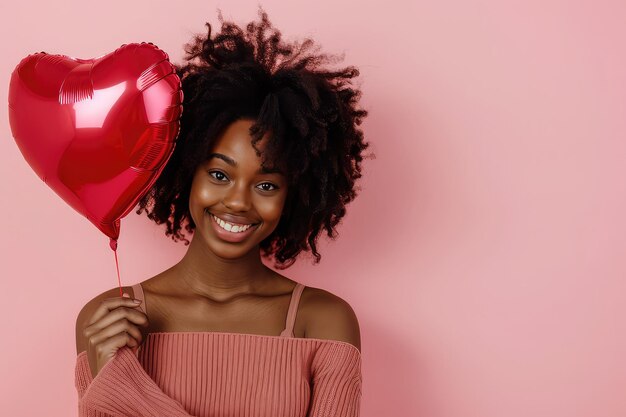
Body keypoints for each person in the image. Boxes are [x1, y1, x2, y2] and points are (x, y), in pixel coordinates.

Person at [74, 6, 372, 417]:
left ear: (295, 196)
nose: (237, 201)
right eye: (219, 174)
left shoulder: (322, 322)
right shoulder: (108, 319)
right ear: (185, 172)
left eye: (266, 185)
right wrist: (109, 367)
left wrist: (127, 394)